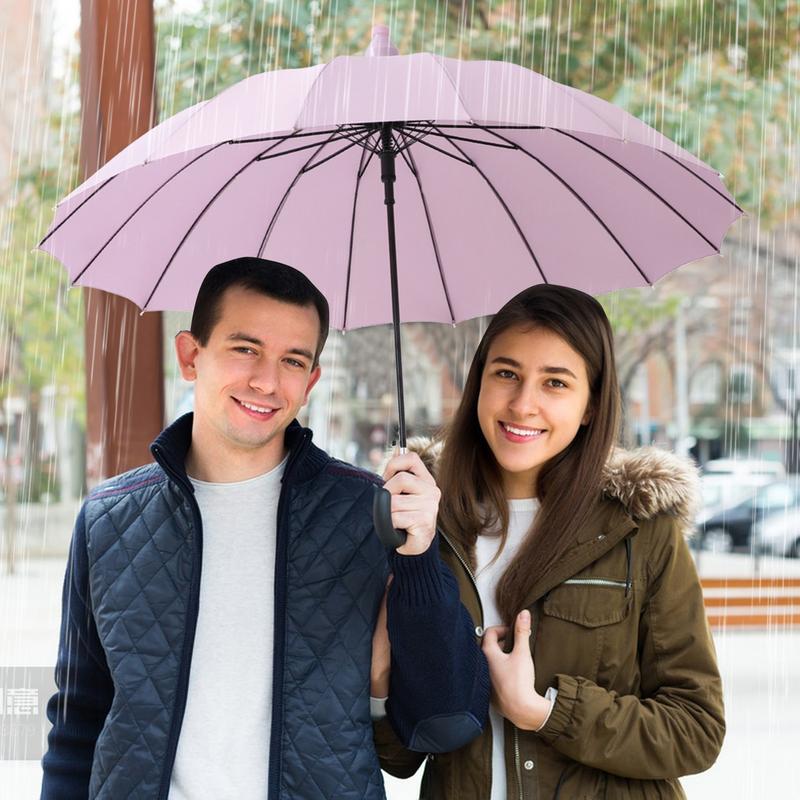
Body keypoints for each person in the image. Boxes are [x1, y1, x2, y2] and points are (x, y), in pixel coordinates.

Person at [41, 257, 489, 800]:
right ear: (190, 355)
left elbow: (443, 721)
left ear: (312, 380)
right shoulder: (106, 520)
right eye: (245, 348)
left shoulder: (371, 513)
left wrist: (419, 561)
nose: (267, 381)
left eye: (293, 360)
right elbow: (75, 726)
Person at [375, 284, 725, 799]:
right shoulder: (422, 527)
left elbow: (696, 730)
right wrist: (380, 677)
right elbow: (400, 758)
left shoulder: (639, 529)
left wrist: (546, 712)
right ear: (479, 384)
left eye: (555, 383)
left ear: (590, 405)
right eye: (506, 374)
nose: (523, 404)